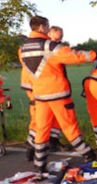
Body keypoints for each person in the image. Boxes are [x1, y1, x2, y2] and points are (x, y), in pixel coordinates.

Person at [19, 15, 96, 173]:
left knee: (41, 131)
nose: (48, 29)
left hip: (40, 95)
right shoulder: (48, 45)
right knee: (70, 127)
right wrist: (95, 55)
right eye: (47, 27)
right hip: (58, 94)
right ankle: (89, 155)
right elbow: (72, 55)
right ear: (41, 27)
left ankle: (39, 166)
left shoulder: (24, 48)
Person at [19, 27, 64, 160]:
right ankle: (31, 145)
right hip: (36, 86)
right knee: (38, 117)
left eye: (60, 38)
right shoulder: (40, 47)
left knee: (56, 115)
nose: (58, 41)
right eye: (56, 38)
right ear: (48, 34)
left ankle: (52, 142)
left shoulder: (46, 46)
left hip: (47, 87)